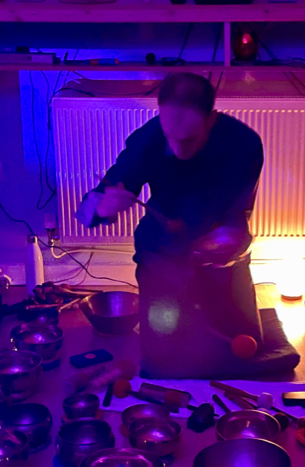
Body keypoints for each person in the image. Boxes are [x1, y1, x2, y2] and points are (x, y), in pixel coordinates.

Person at [76, 72, 265, 378]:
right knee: (163, 356)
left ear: (211, 119)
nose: (178, 150)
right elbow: (93, 205)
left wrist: (225, 241)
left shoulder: (243, 144)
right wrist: (103, 205)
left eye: (189, 140)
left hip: (222, 260)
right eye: (170, 139)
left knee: (244, 349)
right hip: (162, 257)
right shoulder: (147, 140)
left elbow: (237, 215)